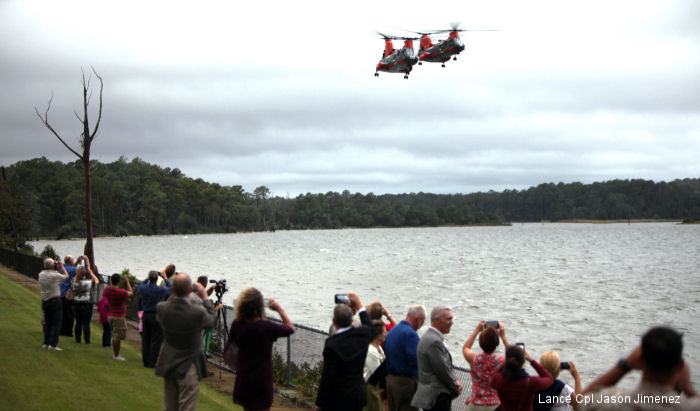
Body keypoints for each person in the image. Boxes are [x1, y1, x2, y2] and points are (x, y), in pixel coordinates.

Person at [579, 326, 699, 410]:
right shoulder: (689, 406)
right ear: (681, 366)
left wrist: (624, 366)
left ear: (639, 360)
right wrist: (689, 390)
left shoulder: (613, 401)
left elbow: (580, 402)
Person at [155, 273, 217, 411]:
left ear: (172, 289)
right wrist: (205, 296)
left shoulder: (162, 308)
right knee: (187, 406)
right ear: (190, 290)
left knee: (169, 406)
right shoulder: (197, 312)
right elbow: (211, 320)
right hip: (189, 365)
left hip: (169, 362)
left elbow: (171, 304)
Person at [229, 288, 295, 411]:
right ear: (260, 307)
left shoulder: (237, 325)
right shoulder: (266, 327)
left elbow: (233, 347)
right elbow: (290, 328)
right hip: (261, 381)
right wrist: (279, 309)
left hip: (244, 379)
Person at [316, 291, 375, 410]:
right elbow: (370, 327)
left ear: (334, 322)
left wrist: (320, 403)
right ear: (351, 318)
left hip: (338, 398)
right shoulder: (362, 335)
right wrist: (359, 305)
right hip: (357, 396)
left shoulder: (332, 344)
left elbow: (328, 377)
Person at [411, 306, 462, 411]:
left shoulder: (428, 337)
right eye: (448, 319)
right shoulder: (434, 341)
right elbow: (442, 370)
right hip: (436, 398)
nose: (452, 322)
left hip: (430, 396)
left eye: (452, 319)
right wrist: (456, 386)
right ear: (436, 320)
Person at [384, 304, 426, 411]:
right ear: (418, 320)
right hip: (405, 384)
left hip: (390, 381)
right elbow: (416, 360)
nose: (421, 325)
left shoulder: (393, 331)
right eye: (423, 321)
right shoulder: (411, 335)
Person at [462, 320, 510, 410]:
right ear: (497, 344)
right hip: (494, 405)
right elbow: (513, 354)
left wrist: (477, 330)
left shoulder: (474, 359)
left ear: (480, 342)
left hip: (475, 404)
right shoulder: (501, 361)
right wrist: (503, 336)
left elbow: (466, 347)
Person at [490, 344, 553, 411]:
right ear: (523, 361)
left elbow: (491, 383)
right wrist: (531, 360)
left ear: (506, 360)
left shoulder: (498, 379)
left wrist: (505, 363)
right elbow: (549, 379)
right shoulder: (530, 382)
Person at [136, 270, 171, 367]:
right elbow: (171, 289)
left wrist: (147, 278)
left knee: (146, 338)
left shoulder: (143, 288)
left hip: (145, 314)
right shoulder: (160, 289)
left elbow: (140, 286)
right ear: (156, 279)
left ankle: (145, 361)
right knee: (156, 339)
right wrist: (165, 278)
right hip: (156, 315)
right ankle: (152, 362)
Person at [39, 258, 68, 350]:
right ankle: (53, 344)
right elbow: (66, 276)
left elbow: (54, 276)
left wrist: (56, 268)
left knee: (48, 323)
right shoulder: (55, 275)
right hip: (54, 301)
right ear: (52, 266)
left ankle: (46, 343)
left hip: (45, 301)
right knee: (56, 323)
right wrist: (62, 267)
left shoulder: (41, 274)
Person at [103, 273, 132, 360]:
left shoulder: (106, 289)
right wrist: (127, 282)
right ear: (119, 281)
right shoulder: (120, 292)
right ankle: (116, 355)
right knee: (117, 336)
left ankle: (116, 354)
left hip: (110, 314)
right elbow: (130, 293)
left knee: (115, 334)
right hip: (118, 316)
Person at [71, 256, 99, 344]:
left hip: (76, 303)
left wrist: (86, 261)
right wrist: (91, 272)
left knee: (78, 322)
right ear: (84, 274)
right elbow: (96, 281)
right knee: (86, 322)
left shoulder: (73, 282)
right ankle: (87, 340)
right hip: (87, 304)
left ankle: (78, 339)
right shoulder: (88, 283)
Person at [364, 319, 388, 411]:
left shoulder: (379, 348)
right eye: (385, 331)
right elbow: (378, 373)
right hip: (370, 389)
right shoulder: (371, 351)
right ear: (378, 335)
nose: (386, 333)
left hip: (376, 388)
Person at [59, 254, 80, 336]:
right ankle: (68, 331)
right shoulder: (73, 269)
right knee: (70, 314)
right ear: (71, 261)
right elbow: (80, 271)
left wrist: (77, 262)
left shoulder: (62, 269)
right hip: (68, 294)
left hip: (60, 293)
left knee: (62, 313)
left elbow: (70, 269)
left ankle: (61, 330)